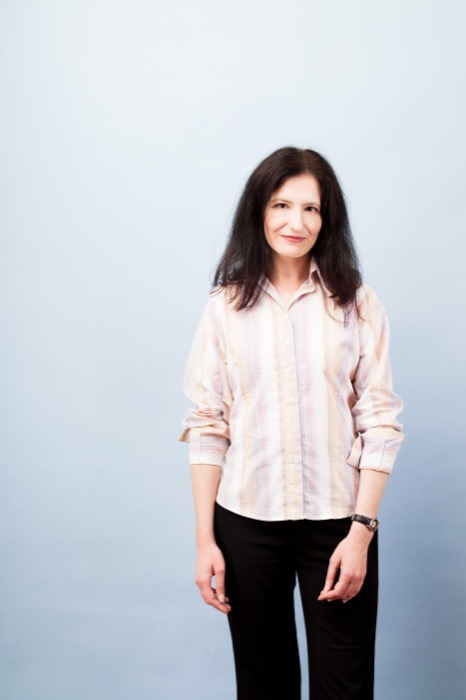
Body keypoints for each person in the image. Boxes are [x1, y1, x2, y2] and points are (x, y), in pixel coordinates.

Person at [179, 146, 404, 700]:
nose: (295, 222)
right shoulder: (225, 307)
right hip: (246, 521)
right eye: (281, 205)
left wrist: (361, 534)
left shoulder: (357, 303)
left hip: (338, 523)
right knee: (264, 685)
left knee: (345, 686)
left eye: (311, 208)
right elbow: (208, 426)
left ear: (327, 220)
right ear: (259, 211)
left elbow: (379, 422)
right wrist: (206, 541)